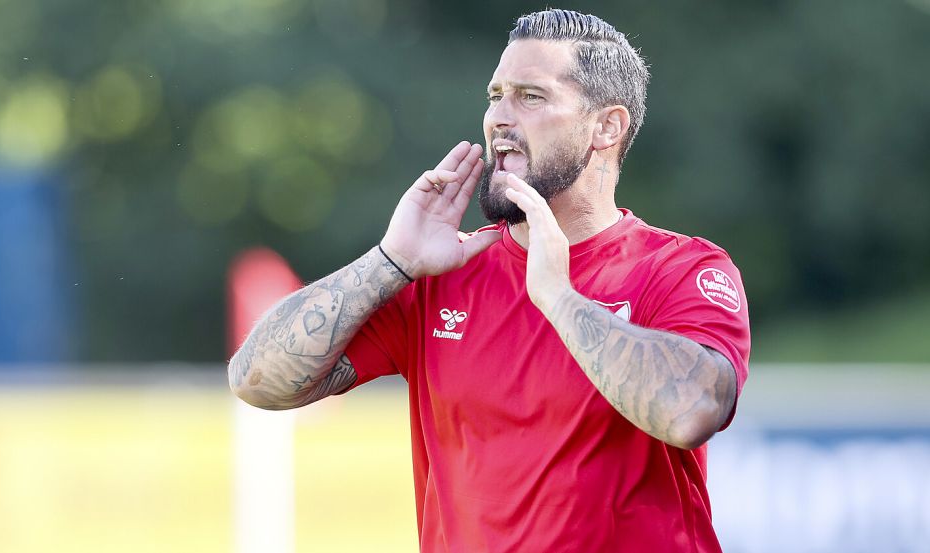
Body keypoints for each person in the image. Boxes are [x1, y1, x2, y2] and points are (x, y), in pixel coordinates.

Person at [229, 9, 750, 553]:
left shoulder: (682, 270)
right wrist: (390, 261)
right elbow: (256, 381)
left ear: (606, 127)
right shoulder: (445, 274)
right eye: (495, 95)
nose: (499, 116)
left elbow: (691, 412)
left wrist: (558, 297)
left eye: (530, 96)